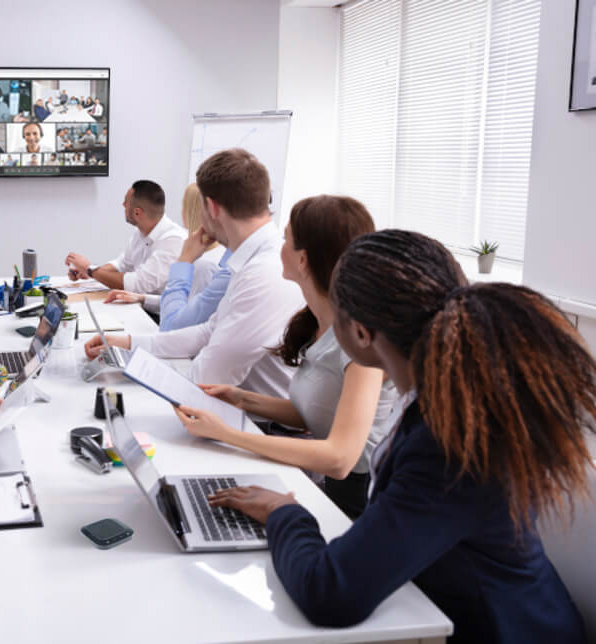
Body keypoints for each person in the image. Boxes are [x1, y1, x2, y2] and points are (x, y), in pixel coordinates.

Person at [208, 229, 592, 641]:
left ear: (359, 333)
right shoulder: (440, 399)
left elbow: (329, 593)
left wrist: (282, 513)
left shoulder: (447, 445)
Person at [173, 195, 396, 518]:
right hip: (338, 490)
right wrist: (242, 398)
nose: (278, 246)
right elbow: (316, 411)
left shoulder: (360, 342)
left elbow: (340, 458)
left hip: (362, 501)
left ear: (303, 260)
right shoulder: (319, 322)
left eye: (286, 239)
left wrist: (227, 435)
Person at [85, 150, 303, 398]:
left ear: (211, 207)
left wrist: (136, 363)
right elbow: (207, 332)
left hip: (263, 425)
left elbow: (203, 378)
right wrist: (129, 343)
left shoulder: (261, 273)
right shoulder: (253, 258)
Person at [107, 183, 231, 332]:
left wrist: (184, 260)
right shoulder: (211, 255)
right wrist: (142, 298)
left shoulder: (204, 264)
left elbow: (177, 324)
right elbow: (187, 303)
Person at [65, 179, 185, 293]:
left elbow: (137, 285)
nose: (123, 204)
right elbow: (122, 265)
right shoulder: (140, 233)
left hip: (157, 313)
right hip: (140, 306)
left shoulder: (173, 240)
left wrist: (90, 270)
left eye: (126, 202)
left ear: (137, 212)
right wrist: (88, 271)